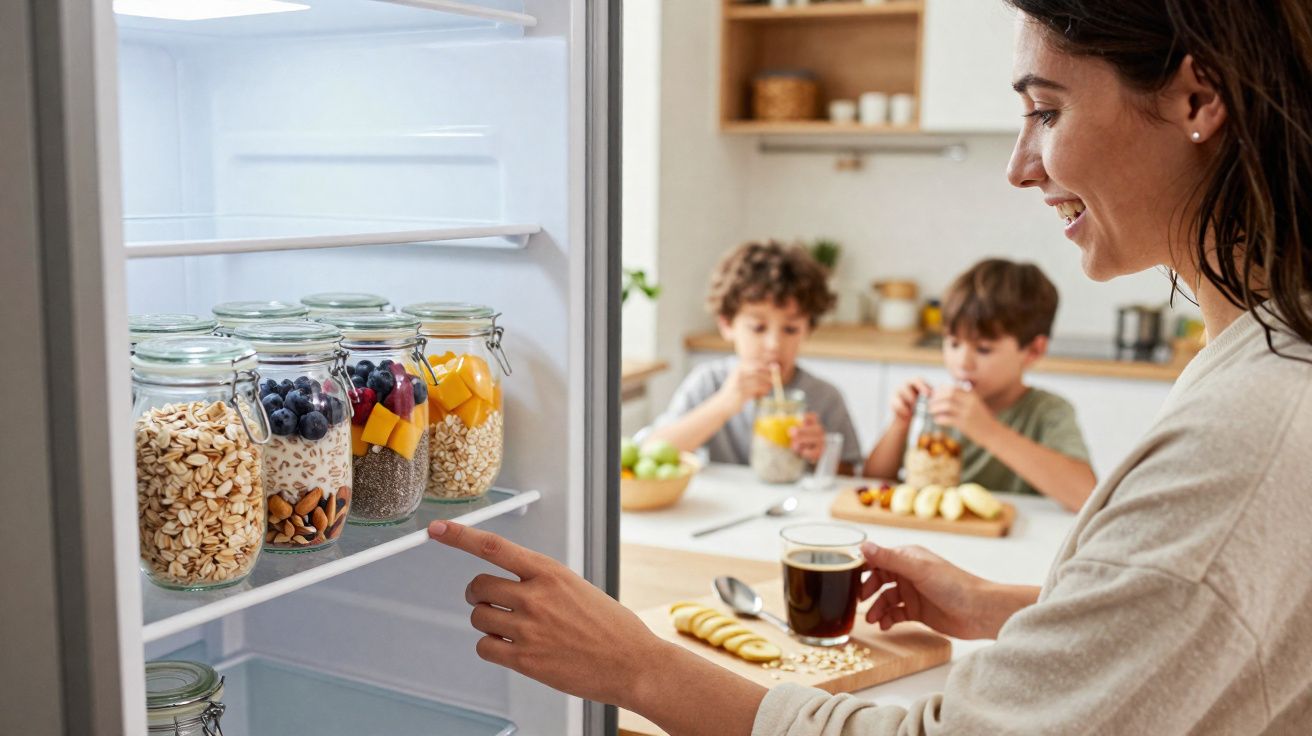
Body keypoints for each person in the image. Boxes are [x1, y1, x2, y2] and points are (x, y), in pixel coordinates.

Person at [428, 1, 1312, 733]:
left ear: (1198, 97)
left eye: (1047, 111)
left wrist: (640, 668)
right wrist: (996, 606)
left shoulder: (1252, 429)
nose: (1018, 166)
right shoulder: (1258, 363)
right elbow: (1182, 630)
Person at [863, 259, 1097, 511]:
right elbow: (871, 480)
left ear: (1033, 351)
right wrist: (900, 423)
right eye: (953, 343)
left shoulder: (1048, 412)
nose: (963, 362)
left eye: (984, 349)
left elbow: (1086, 495)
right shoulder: (935, 407)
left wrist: (987, 430)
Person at [646, 240, 863, 475]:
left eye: (790, 329)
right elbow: (650, 452)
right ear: (727, 324)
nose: (774, 344)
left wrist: (822, 455)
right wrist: (724, 403)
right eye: (758, 328)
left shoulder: (824, 397)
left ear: (808, 329)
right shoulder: (709, 383)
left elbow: (851, 474)